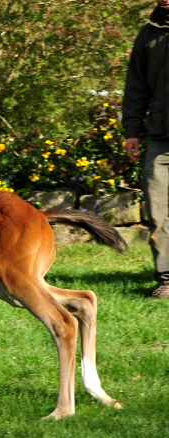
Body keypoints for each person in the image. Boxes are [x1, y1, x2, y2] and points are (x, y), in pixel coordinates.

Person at [123, 0, 169, 299]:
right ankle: (167, 278)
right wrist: (131, 131)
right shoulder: (148, 35)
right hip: (160, 138)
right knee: (158, 211)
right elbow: (136, 86)